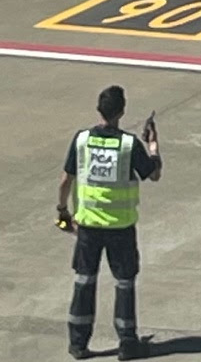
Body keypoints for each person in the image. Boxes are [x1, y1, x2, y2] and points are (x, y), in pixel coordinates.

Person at [57, 83, 160, 361]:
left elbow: (66, 179)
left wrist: (62, 211)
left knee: (83, 281)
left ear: (99, 110)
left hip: (88, 226)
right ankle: (127, 343)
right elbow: (153, 174)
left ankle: (78, 343)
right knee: (124, 283)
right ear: (122, 112)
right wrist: (153, 144)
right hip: (120, 227)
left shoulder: (81, 140)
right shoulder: (128, 144)